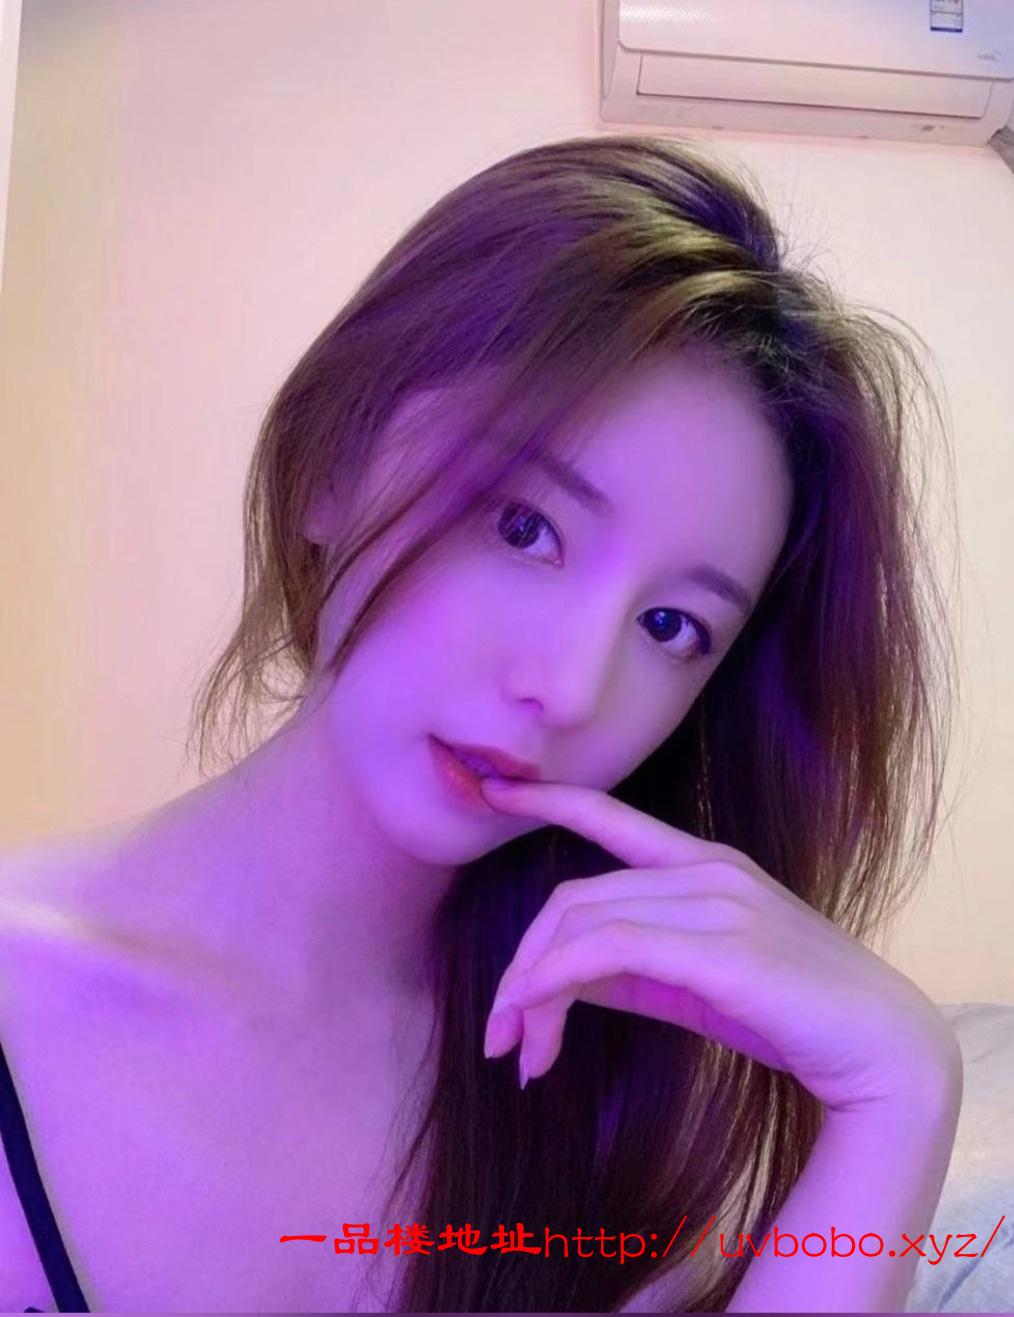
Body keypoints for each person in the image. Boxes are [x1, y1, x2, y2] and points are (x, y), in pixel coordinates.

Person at [0, 133, 964, 1313]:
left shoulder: (622, 1110)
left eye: (671, 626)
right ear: (332, 462)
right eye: (523, 527)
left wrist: (899, 1097)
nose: (571, 689)